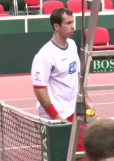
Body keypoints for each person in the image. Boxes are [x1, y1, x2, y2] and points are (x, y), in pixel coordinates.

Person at [31, 8, 94, 152]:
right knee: (62, 154)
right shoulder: (44, 55)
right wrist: (57, 117)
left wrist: (87, 102)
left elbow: (78, 76)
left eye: (73, 22)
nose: (73, 26)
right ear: (56, 26)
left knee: (83, 151)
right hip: (56, 117)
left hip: (75, 111)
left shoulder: (72, 45)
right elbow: (39, 89)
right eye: (68, 23)